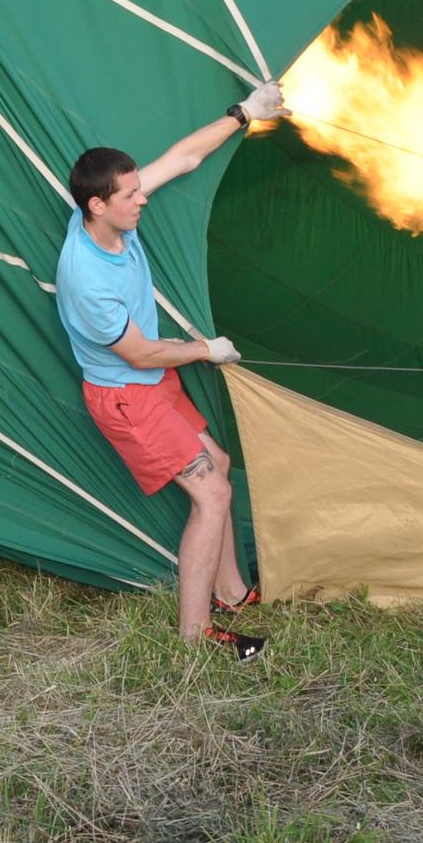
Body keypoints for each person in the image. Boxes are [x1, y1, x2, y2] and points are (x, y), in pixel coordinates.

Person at [57, 79, 283, 660]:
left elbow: (182, 158)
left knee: (221, 466)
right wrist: (208, 350)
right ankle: (195, 635)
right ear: (96, 206)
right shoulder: (87, 278)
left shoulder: (112, 216)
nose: (143, 200)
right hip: (127, 397)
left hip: (154, 383)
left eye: (139, 189)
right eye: (130, 195)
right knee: (210, 493)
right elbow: (138, 354)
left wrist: (244, 113)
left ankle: (231, 593)